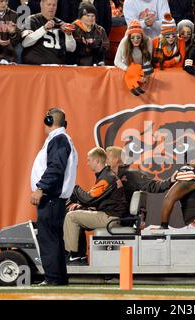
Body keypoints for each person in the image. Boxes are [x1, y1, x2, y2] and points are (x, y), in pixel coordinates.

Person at [30, 108, 78, 286]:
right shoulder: (61, 139)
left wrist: (40, 188)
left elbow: (55, 168)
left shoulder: (59, 140)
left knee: (49, 239)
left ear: (48, 121)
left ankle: (53, 279)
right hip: (54, 199)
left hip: (50, 197)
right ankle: (57, 278)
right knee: (54, 239)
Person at [63, 147, 128, 265]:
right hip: (110, 214)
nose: (87, 163)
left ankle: (72, 256)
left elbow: (89, 199)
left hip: (110, 217)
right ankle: (80, 256)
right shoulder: (106, 175)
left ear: (97, 161)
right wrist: (81, 206)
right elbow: (97, 200)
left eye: (89, 160)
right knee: (78, 214)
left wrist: (74, 188)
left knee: (71, 217)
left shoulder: (106, 178)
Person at [21, 0, 76, 65]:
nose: (51, 7)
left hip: (57, 68)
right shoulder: (31, 20)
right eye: (49, 4)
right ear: (41, 5)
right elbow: (25, 43)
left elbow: (71, 49)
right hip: (37, 67)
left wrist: (68, 35)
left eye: (54, 5)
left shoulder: (61, 23)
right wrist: (44, 29)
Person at [114, 19, 153, 95]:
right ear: (129, 37)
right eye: (133, 37)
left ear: (142, 36)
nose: (136, 40)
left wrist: (143, 74)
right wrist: (128, 70)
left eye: (138, 37)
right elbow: (117, 61)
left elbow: (148, 60)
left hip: (141, 68)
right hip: (129, 68)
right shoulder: (124, 41)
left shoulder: (148, 41)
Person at [71, 1, 109, 66]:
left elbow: (105, 47)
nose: (90, 18)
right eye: (87, 16)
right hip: (77, 64)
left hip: (96, 63)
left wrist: (97, 49)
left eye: (93, 16)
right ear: (81, 17)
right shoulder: (73, 28)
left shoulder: (100, 30)